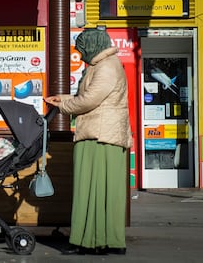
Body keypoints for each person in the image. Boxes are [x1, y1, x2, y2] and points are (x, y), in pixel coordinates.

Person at [44, 29, 133, 255]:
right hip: (101, 133)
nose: (80, 53)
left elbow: (89, 101)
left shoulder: (106, 67)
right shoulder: (104, 65)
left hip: (100, 135)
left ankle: (90, 241)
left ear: (93, 45)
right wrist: (62, 99)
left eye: (82, 48)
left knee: (90, 188)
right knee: (102, 190)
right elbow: (89, 98)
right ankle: (100, 239)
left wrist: (62, 106)